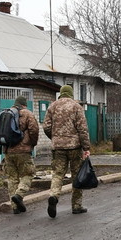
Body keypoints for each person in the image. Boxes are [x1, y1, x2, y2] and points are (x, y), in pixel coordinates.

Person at [42, 85, 91, 218]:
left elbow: (46, 126)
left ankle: (53, 196)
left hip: (58, 147)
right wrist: (86, 147)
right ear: (70, 94)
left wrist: (54, 138)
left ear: (61, 94)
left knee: (58, 174)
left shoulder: (52, 106)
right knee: (77, 176)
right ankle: (76, 206)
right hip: (74, 147)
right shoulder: (76, 107)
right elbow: (82, 129)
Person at [3, 95, 39, 214]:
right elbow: (34, 130)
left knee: (12, 178)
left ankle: (15, 207)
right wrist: (32, 144)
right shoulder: (27, 114)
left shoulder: (5, 113)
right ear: (24, 104)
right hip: (23, 151)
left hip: (8, 151)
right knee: (28, 174)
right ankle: (19, 195)